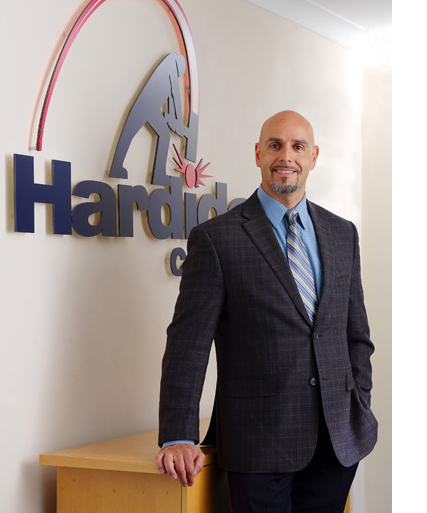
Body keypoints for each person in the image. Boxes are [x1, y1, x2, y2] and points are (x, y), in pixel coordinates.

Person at [155, 110, 377, 512]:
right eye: (275, 145)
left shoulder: (343, 233)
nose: (286, 156)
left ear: (313, 157)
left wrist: (358, 401)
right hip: (257, 444)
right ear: (258, 153)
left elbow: (355, 334)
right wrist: (177, 435)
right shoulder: (216, 239)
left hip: (336, 441)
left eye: (298, 146)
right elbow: (188, 344)